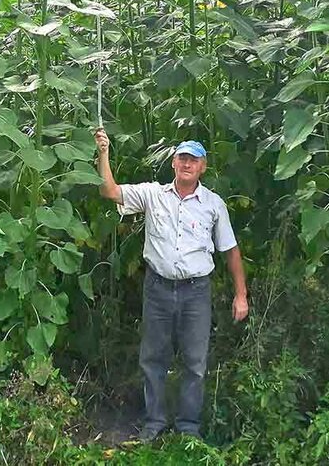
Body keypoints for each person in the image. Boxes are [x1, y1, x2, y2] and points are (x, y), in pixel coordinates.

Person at [94, 127, 248, 442]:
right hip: (158, 288)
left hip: (196, 292)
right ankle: (154, 422)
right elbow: (110, 191)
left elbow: (230, 250)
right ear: (173, 164)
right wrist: (103, 152)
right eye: (182, 158)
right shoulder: (153, 195)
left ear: (203, 167)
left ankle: (188, 428)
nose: (187, 164)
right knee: (153, 358)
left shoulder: (213, 204)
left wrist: (241, 294)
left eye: (194, 160)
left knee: (194, 361)